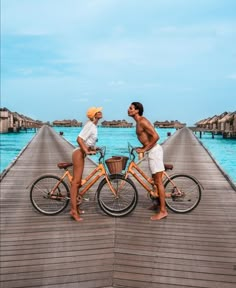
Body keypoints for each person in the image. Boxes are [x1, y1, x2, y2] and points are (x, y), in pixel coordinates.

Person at [128, 102, 168, 220]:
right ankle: (157, 204)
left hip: (155, 152)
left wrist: (144, 149)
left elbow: (156, 137)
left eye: (131, 108)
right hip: (152, 152)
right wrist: (140, 148)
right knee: (155, 181)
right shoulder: (138, 122)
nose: (128, 110)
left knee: (159, 182)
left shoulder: (142, 121)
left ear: (137, 110)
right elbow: (145, 138)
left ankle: (163, 211)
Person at [70, 106, 103, 222]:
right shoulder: (90, 125)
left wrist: (94, 148)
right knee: (76, 183)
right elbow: (79, 139)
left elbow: (88, 141)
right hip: (78, 153)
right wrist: (86, 151)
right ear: (94, 115)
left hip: (81, 153)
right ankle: (73, 211)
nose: (101, 112)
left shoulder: (93, 126)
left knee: (78, 183)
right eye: (98, 111)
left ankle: (76, 208)